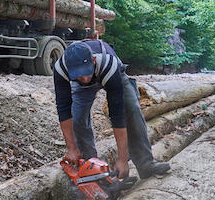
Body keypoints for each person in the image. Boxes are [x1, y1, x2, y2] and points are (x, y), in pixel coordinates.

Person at [53, 39, 171, 179]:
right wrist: (71, 148)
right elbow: (63, 109)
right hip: (81, 87)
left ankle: (146, 163)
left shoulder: (108, 64)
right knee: (78, 120)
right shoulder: (61, 69)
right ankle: (91, 171)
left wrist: (122, 159)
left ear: (94, 60)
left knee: (131, 109)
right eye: (79, 75)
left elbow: (118, 114)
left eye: (86, 73)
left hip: (113, 75)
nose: (84, 78)